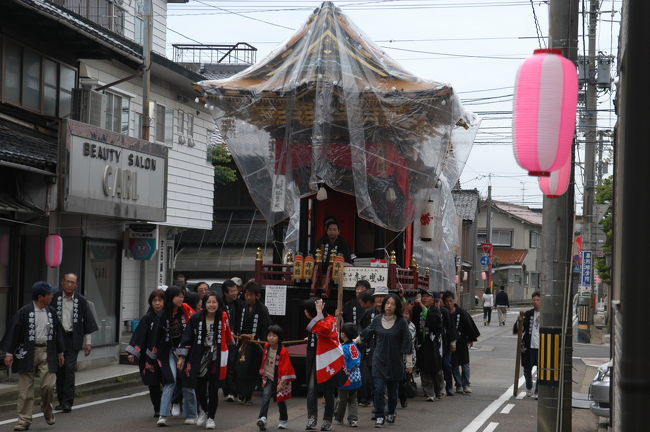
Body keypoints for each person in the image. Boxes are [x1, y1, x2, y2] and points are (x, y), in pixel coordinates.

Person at [2, 281, 65, 431]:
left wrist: (60, 352)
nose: (52, 296)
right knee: (25, 389)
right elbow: (13, 333)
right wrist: (9, 353)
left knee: (48, 386)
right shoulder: (24, 312)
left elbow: (58, 333)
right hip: (27, 352)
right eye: (49, 294)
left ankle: (47, 409)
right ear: (41, 296)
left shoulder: (51, 312)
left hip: (47, 351)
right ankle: (23, 420)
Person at [177, 292, 235, 430]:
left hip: (216, 356)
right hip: (199, 356)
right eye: (209, 302)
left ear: (219, 304)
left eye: (214, 302)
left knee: (214, 388)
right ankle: (204, 410)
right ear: (204, 304)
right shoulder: (196, 318)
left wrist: (232, 348)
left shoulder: (223, 317)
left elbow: (227, 336)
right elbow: (188, 337)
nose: (211, 305)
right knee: (200, 388)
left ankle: (211, 418)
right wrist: (182, 357)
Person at [357, 293, 413, 428]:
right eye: (387, 303)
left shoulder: (401, 322)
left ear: (397, 307)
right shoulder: (377, 319)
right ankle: (380, 415)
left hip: (395, 362)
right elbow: (367, 332)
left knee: (393, 393)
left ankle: (391, 412)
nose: (389, 306)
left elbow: (407, 342)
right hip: (378, 360)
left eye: (393, 304)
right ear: (384, 305)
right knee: (378, 389)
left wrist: (409, 363)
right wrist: (353, 341)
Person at [148, 286, 197, 426]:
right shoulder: (163, 315)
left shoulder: (186, 311)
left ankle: (192, 414)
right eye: (178, 296)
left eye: (182, 296)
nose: (181, 299)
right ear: (170, 298)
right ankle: (163, 415)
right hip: (168, 352)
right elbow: (156, 338)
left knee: (188, 382)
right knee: (170, 381)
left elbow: (192, 330)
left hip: (186, 350)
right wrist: (151, 359)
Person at [52, 273, 98, 413]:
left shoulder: (81, 301)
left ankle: (68, 402)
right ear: (62, 283)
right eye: (67, 281)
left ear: (76, 285)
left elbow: (88, 323)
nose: (70, 284)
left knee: (69, 369)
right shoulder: (54, 298)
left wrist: (88, 343)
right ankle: (61, 400)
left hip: (73, 339)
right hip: (57, 339)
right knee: (59, 370)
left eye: (72, 282)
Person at [304, 298, 346, 431]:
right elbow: (312, 328)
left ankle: (327, 420)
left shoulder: (330, 319)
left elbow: (323, 329)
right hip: (314, 359)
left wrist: (318, 313)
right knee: (311, 390)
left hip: (327, 360)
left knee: (328, 391)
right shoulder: (318, 319)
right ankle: (312, 418)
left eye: (306, 310)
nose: (305, 312)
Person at [126, 289, 166, 417]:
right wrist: (132, 352)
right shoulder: (147, 318)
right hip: (149, 356)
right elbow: (139, 336)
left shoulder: (169, 317)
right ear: (151, 302)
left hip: (165, 354)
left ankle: (168, 405)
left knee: (168, 382)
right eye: (154, 301)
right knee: (153, 383)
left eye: (160, 300)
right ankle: (157, 408)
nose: (157, 303)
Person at [235, 281, 271, 405]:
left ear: (257, 296)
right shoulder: (242, 307)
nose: (248, 297)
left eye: (251, 295)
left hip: (255, 343)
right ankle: (241, 393)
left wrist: (261, 341)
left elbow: (265, 326)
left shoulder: (262, 309)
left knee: (251, 369)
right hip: (241, 342)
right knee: (239, 368)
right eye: (246, 294)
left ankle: (248, 396)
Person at [256, 325, 296, 431]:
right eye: (269, 335)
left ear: (279, 337)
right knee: (265, 397)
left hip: (280, 379)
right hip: (269, 377)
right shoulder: (266, 346)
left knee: (280, 401)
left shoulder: (283, 351)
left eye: (274, 336)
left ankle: (283, 420)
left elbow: (286, 367)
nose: (271, 338)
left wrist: (282, 383)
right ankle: (262, 418)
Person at [442, 291, 480, 395]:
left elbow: (469, 325)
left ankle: (466, 384)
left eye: (451, 301)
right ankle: (458, 384)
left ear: (454, 300)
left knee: (465, 363)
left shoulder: (461, 312)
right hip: (450, 342)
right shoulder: (444, 312)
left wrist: (471, 339)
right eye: (447, 301)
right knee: (454, 364)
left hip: (462, 340)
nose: (449, 303)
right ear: (444, 302)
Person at [358, 286, 388, 408]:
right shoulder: (369, 313)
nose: (380, 299)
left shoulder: (393, 314)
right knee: (374, 381)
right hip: (371, 351)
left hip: (388, 353)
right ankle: (378, 409)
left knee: (386, 383)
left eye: (382, 296)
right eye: (377, 296)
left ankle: (386, 407)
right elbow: (362, 328)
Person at [412, 289, 442, 401]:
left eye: (427, 296)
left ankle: (439, 389)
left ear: (433, 299)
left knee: (436, 368)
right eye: (423, 296)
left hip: (433, 344)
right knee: (424, 368)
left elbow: (436, 324)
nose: (424, 298)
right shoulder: (417, 310)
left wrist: (425, 310)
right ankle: (429, 393)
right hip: (421, 343)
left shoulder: (435, 311)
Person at [514, 291, 541, 398]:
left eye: (538, 300)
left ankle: (538, 391)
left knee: (542, 369)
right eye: (534, 300)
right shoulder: (528, 314)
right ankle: (529, 387)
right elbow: (519, 329)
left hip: (542, 347)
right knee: (527, 368)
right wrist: (519, 322)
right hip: (528, 346)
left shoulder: (547, 315)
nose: (535, 302)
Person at [334, 323, 362, 427]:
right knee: (353, 399)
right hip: (356, 376)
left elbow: (341, 363)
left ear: (344, 334)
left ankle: (339, 417)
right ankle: (353, 419)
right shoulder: (354, 345)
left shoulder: (343, 348)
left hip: (346, 377)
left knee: (342, 399)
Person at [221, 279, 242, 402]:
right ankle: (228, 391)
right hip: (224, 339)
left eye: (236, 290)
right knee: (226, 363)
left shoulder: (238, 304)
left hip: (235, 338)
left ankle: (232, 390)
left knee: (233, 364)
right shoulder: (220, 304)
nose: (235, 293)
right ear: (225, 293)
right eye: (232, 291)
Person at [398, 304, 417, 408]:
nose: (404, 315)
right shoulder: (396, 324)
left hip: (406, 357)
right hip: (395, 356)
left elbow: (408, 343)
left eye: (406, 313)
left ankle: (403, 398)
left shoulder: (411, 326)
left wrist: (409, 364)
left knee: (402, 380)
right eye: (402, 313)